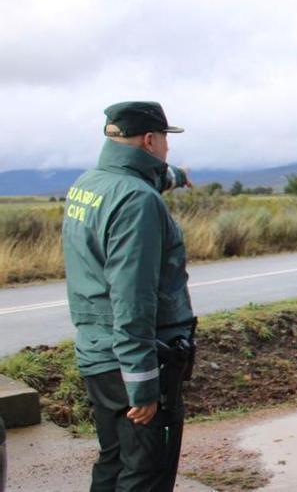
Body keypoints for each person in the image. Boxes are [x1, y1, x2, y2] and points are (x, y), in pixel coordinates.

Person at [62, 101, 196, 491]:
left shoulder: (90, 184)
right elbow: (132, 299)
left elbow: (144, 177)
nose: (168, 150)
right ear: (150, 140)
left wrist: (178, 176)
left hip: (98, 356)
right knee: (145, 473)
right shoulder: (138, 201)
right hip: (134, 358)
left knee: (115, 460)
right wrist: (144, 387)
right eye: (166, 142)